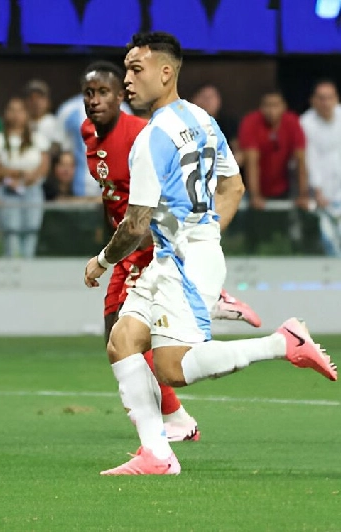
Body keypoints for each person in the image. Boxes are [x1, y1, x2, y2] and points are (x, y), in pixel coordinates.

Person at [83, 32, 336, 476]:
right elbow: (233, 187)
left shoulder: (148, 140)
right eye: (125, 69)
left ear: (165, 72)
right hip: (176, 256)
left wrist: (101, 262)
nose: (127, 80)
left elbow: (136, 223)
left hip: (182, 261)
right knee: (123, 341)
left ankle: (283, 342)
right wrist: (203, 232)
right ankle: (156, 455)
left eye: (135, 70)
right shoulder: (201, 119)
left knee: (172, 369)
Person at [79, 60, 262, 443]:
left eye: (103, 93)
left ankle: (174, 419)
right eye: (88, 93)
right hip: (129, 238)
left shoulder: (141, 134)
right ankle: (171, 423)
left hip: (147, 239)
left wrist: (185, 241)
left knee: (127, 337)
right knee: (123, 338)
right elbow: (111, 194)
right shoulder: (89, 133)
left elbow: (159, 199)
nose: (94, 101)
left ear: (120, 97)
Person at [0, 97, 50, 258]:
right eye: (12, 110)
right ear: (5, 114)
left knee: (31, 231)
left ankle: (29, 268)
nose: (16, 115)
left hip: (32, 190)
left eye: (20, 110)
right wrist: (21, 174)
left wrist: (31, 178)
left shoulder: (38, 138)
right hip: (8, 190)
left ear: (26, 114)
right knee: (11, 233)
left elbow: (44, 166)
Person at [300, 79, 341, 256]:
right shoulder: (306, 122)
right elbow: (310, 158)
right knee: (328, 239)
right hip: (321, 193)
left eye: (329, 98)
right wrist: (317, 190)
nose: (326, 103)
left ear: (336, 99)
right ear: (313, 101)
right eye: (321, 98)